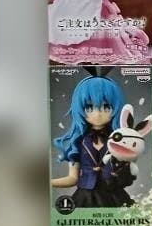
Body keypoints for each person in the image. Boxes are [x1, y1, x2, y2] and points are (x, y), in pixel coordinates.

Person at [51, 73, 137, 207]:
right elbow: (72, 178)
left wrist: (121, 172)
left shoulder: (120, 140)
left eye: (106, 107)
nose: (97, 114)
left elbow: (128, 174)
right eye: (89, 107)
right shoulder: (78, 142)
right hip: (85, 198)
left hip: (114, 196)